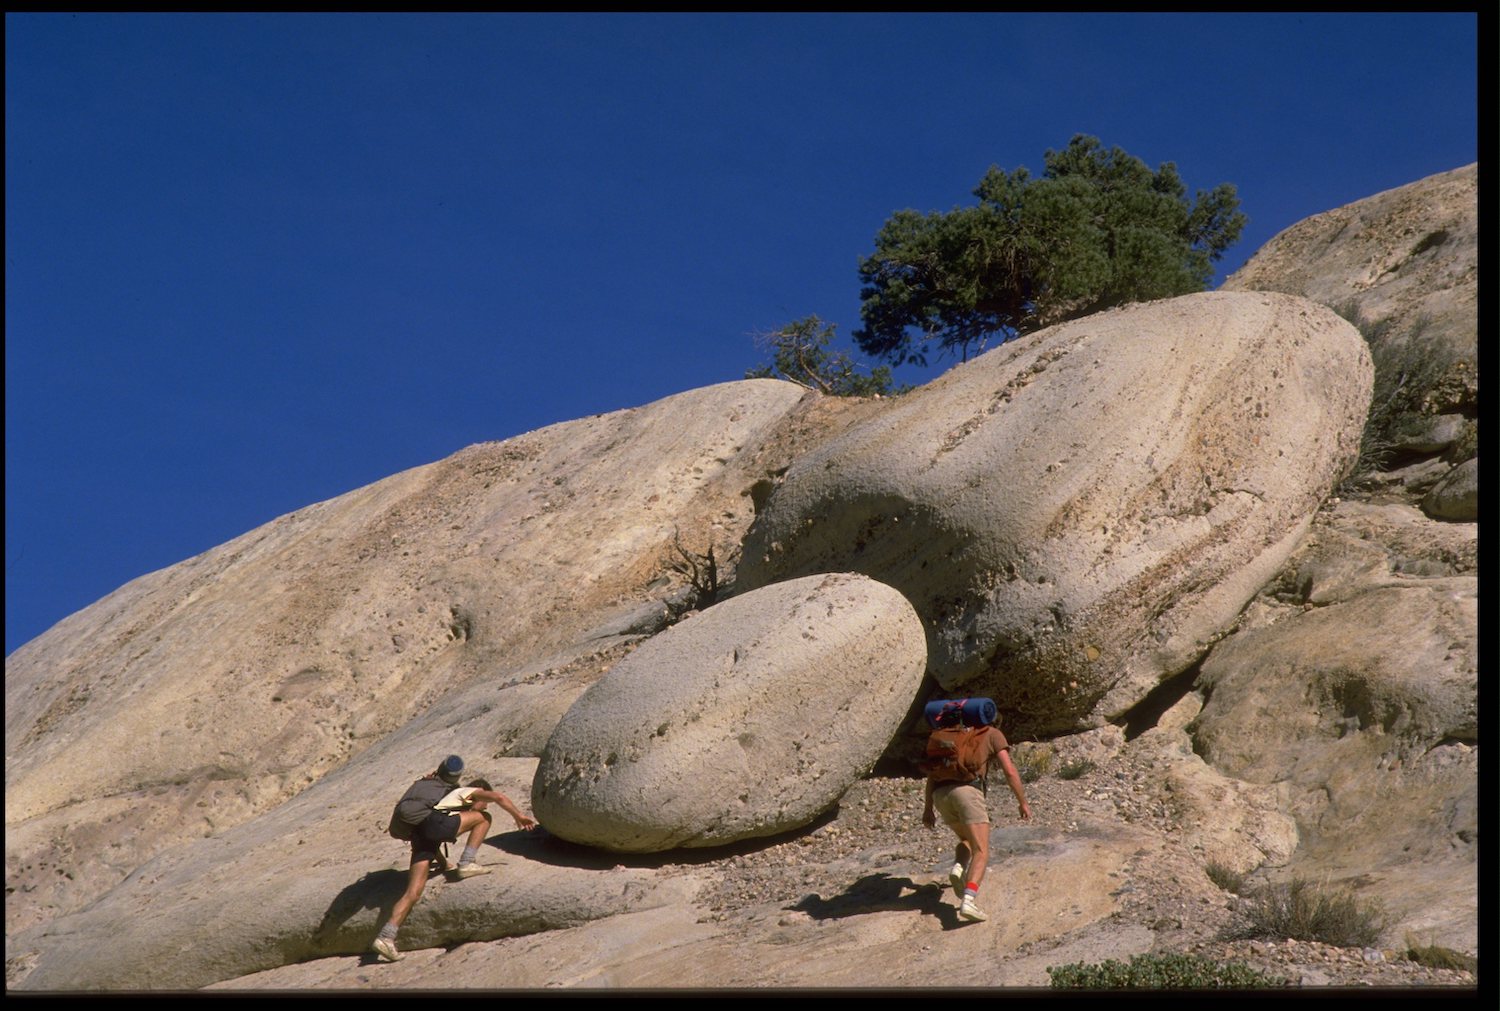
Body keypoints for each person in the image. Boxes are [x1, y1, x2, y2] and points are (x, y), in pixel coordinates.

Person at [371, 755, 537, 962]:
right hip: (433, 826)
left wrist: (443, 865)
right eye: (483, 803)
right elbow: (499, 797)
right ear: (479, 797)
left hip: (420, 835)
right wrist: (518, 816)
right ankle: (467, 862)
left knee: (413, 892)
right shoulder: (464, 792)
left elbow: (432, 840)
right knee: (484, 820)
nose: (484, 806)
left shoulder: (441, 803)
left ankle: (386, 937)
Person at [921, 716, 1031, 923]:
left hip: (941, 795)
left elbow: (932, 775)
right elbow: (1009, 770)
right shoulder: (991, 734)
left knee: (967, 840)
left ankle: (958, 868)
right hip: (968, 793)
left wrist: (928, 809)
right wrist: (1022, 802)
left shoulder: (952, 735)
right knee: (981, 850)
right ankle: (968, 901)